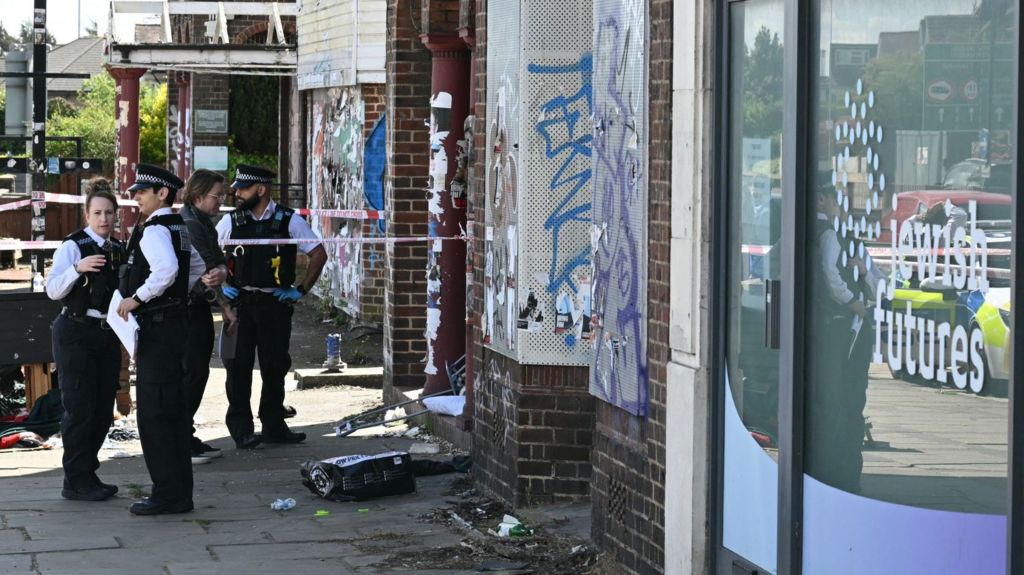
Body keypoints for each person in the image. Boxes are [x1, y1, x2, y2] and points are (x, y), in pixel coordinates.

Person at [216, 164, 327, 449]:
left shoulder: (288, 220)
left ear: (261, 189)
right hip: (240, 304)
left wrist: (300, 290)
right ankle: (241, 430)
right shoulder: (231, 221)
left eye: (243, 188)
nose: (236, 193)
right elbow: (207, 253)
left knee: (274, 367)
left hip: (274, 305)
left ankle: (274, 425)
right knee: (237, 368)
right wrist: (220, 285)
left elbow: (318, 253)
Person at [115, 164, 193, 515]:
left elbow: (167, 271)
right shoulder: (181, 227)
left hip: (159, 330)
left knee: (156, 414)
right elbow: (198, 270)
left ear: (162, 193)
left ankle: (167, 494)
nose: (136, 198)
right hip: (177, 326)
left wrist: (137, 298)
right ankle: (179, 492)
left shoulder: (155, 230)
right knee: (174, 412)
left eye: (142, 192)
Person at [46, 179, 125, 501]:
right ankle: (75, 480)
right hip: (75, 332)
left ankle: (88, 473)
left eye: (109, 213)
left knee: (103, 407)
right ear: (87, 215)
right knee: (79, 408)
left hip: (107, 333)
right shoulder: (73, 246)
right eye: (97, 213)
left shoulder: (118, 249)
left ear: (116, 215)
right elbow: (53, 290)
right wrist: (77, 269)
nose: (104, 219)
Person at [805, 183, 885, 494]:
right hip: (840, 327)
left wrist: (864, 275)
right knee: (841, 400)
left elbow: (879, 283)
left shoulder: (839, 235)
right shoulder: (827, 233)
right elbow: (830, 274)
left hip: (847, 328)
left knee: (845, 400)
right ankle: (840, 473)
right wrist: (854, 302)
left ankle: (842, 472)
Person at [180, 169, 237, 464]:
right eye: (217, 195)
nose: (221, 201)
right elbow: (206, 275)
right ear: (199, 195)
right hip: (189, 311)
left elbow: (218, 264)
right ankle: (181, 440)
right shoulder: (191, 224)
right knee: (193, 374)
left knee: (196, 373)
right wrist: (225, 306)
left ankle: (184, 435)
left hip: (196, 308)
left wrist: (223, 272)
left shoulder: (201, 221)